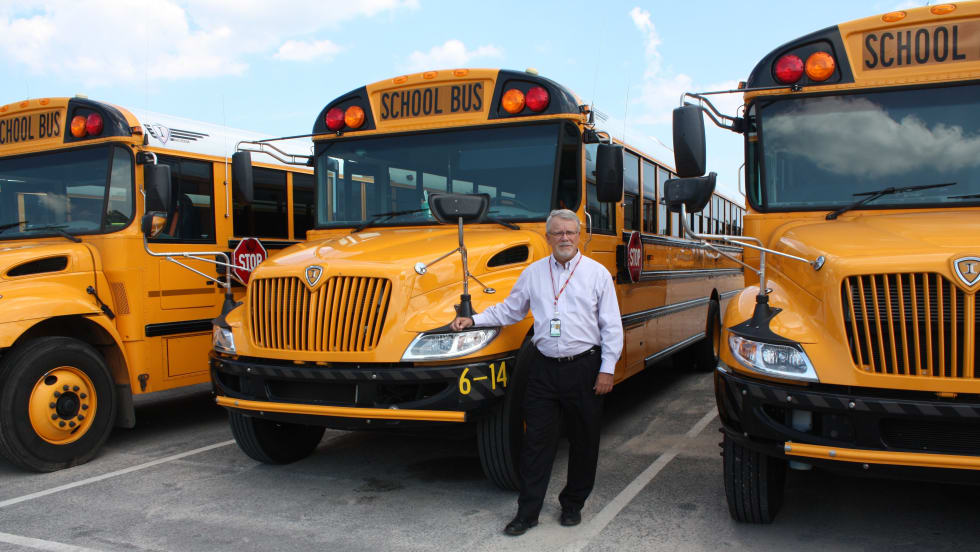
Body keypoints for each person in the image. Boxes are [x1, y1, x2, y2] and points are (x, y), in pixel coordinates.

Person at [450, 208, 623, 536]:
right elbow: (510, 310)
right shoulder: (533, 273)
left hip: (585, 368)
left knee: (584, 441)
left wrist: (607, 369)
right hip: (543, 368)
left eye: (570, 232)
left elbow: (611, 325)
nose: (564, 238)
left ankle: (572, 505)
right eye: (558, 233)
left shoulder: (597, 274)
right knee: (536, 443)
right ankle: (527, 513)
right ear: (548, 237)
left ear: (579, 235)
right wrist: (474, 319)